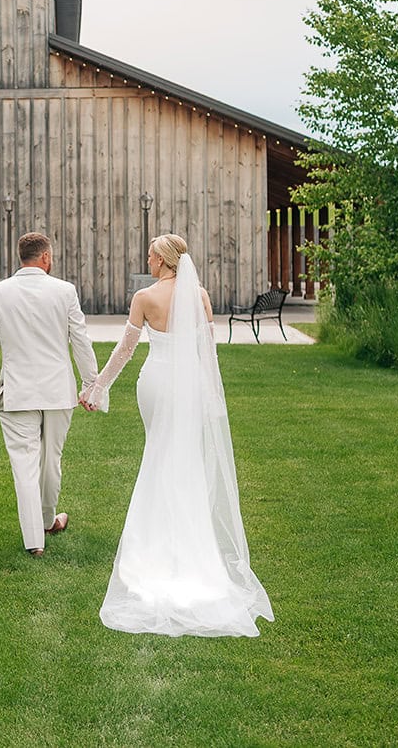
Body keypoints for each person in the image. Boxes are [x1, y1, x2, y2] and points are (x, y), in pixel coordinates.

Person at [83, 233, 274, 636]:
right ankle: (188, 552)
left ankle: (156, 556)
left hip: (156, 381)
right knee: (181, 459)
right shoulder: (199, 297)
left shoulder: (145, 298)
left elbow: (125, 350)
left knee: (159, 456)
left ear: (163, 260)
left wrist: (98, 385)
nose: (147, 261)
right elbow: (209, 353)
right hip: (187, 385)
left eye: (150, 256)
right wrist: (208, 395)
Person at [0, 232, 99, 557]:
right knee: (51, 459)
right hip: (57, 390)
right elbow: (80, 339)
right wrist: (92, 384)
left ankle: (36, 539)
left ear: (22, 256)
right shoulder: (64, 291)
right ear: (45, 257)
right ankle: (47, 522)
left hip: (16, 392)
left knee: (24, 464)